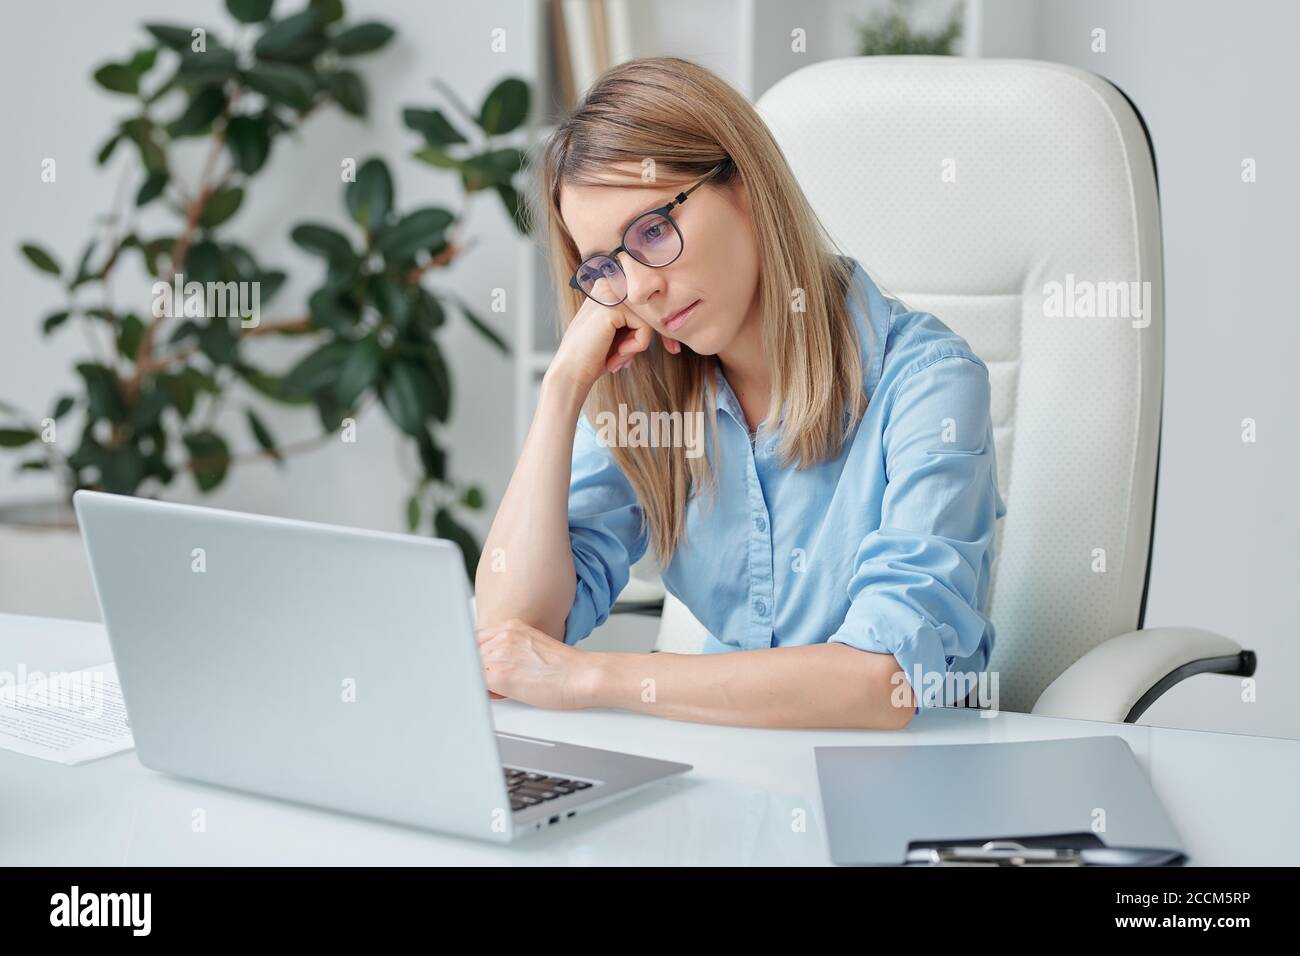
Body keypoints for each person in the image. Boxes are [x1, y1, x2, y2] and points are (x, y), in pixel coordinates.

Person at [474, 57, 1006, 729]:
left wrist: (596, 677)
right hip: (730, 770)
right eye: (606, 267)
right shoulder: (648, 397)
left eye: (652, 232)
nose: (638, 290)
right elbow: (511, 639)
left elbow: (882, 682)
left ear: (744, 185)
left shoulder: (929, 384)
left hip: (908, 790)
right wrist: (562, 390)